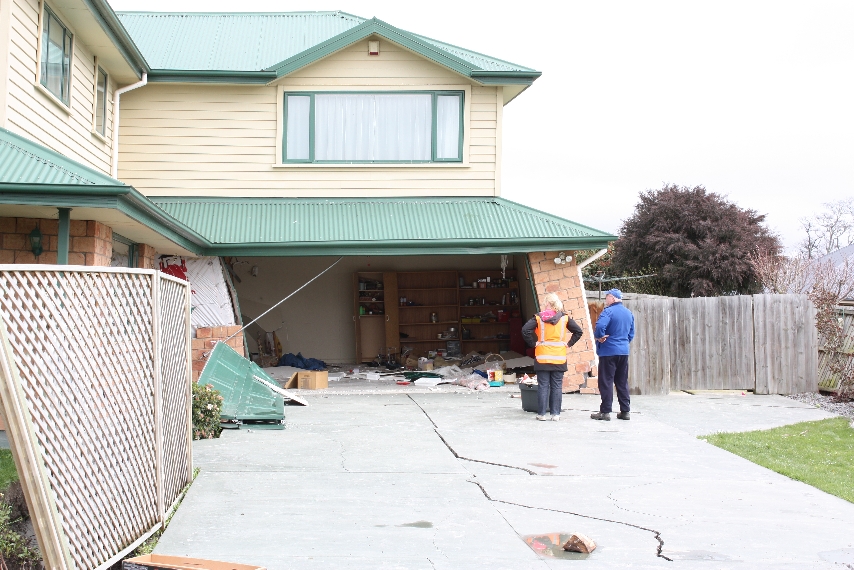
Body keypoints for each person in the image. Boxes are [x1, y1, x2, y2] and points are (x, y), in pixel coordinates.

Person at [522, 293, 583, 421]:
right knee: (556, 386)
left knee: (543, 386)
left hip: (542, 358)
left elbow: (525, 330)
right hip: (559, 358)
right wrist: (569, 344)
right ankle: (556, 414)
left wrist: (533, 343)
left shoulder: (539, 317)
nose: (544, 306)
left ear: (549, 304)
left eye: (545, 303)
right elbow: (578, 331)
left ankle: (542, 414)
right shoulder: (565, 318)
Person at [591, 289, 635, 421]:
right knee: (622, 381)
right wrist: (623, 342)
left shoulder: (608, 311)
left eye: (607, 297)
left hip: (608, 351)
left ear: (613, 298)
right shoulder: (629, 313)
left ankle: (605, 412)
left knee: (606, 381)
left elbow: (599, 327)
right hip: (623, 351)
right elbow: (631, 333)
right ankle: (625, 411)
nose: (606, 299)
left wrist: (599, 337)